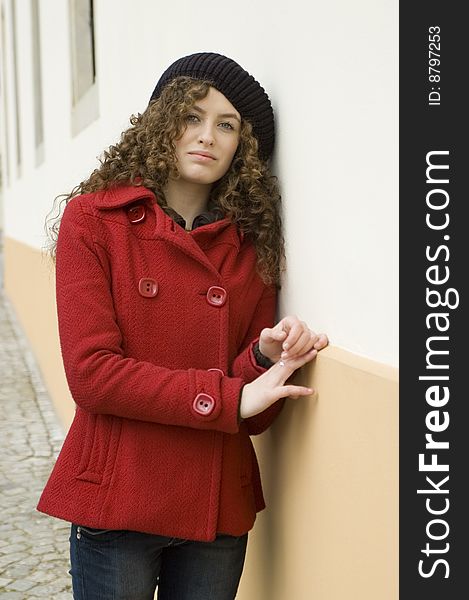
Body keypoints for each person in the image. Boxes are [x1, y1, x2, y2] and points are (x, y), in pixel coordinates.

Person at [38, 52, 328, 600]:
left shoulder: (250, 242)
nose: (207, 136)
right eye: (192, 117)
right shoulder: (95, 220)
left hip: (216, 504)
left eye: (226, 125)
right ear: (161, 122)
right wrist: (228, 399)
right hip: (120, 498)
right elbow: (92, 375)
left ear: (243, 147)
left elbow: (250, 416)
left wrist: (264, 358)